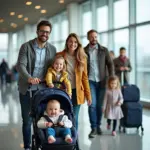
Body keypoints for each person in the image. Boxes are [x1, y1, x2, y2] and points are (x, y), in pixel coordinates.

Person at [17, 20, 56, 150]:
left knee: (42, 119)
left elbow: (53, 68)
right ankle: (27, 146)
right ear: (37, 31)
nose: (45, 34)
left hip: (43, 90)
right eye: (42, 31)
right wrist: (29, 78)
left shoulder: (52, 49)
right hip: (27, 88)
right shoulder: (26, 47)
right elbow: (21, 65)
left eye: (47, 32)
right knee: (27, 120)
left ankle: (41, 144)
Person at [57, 33, 92, 130]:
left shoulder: (82, 58)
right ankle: (66, 139)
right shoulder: (60, 55)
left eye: (75, 42)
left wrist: (88, 95)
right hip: (63, 90)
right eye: (71, 41)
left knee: (74, 117)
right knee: (64, 116)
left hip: (77, 92)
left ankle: (74, 141)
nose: (73, 44)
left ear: (78, 44)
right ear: (67, 43)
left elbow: (84, 78)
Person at [84, 29, 114, 138]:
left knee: (100, 106)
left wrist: (111, 78)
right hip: (90, 81)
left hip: (102, 81)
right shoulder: (84, 51)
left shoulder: (104, 50)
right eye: (91, 37)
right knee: (92, 105)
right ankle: (93, 128)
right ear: (88, 38)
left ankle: (98, 126)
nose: (94, 39)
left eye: (95, 37)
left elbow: (110, 64)